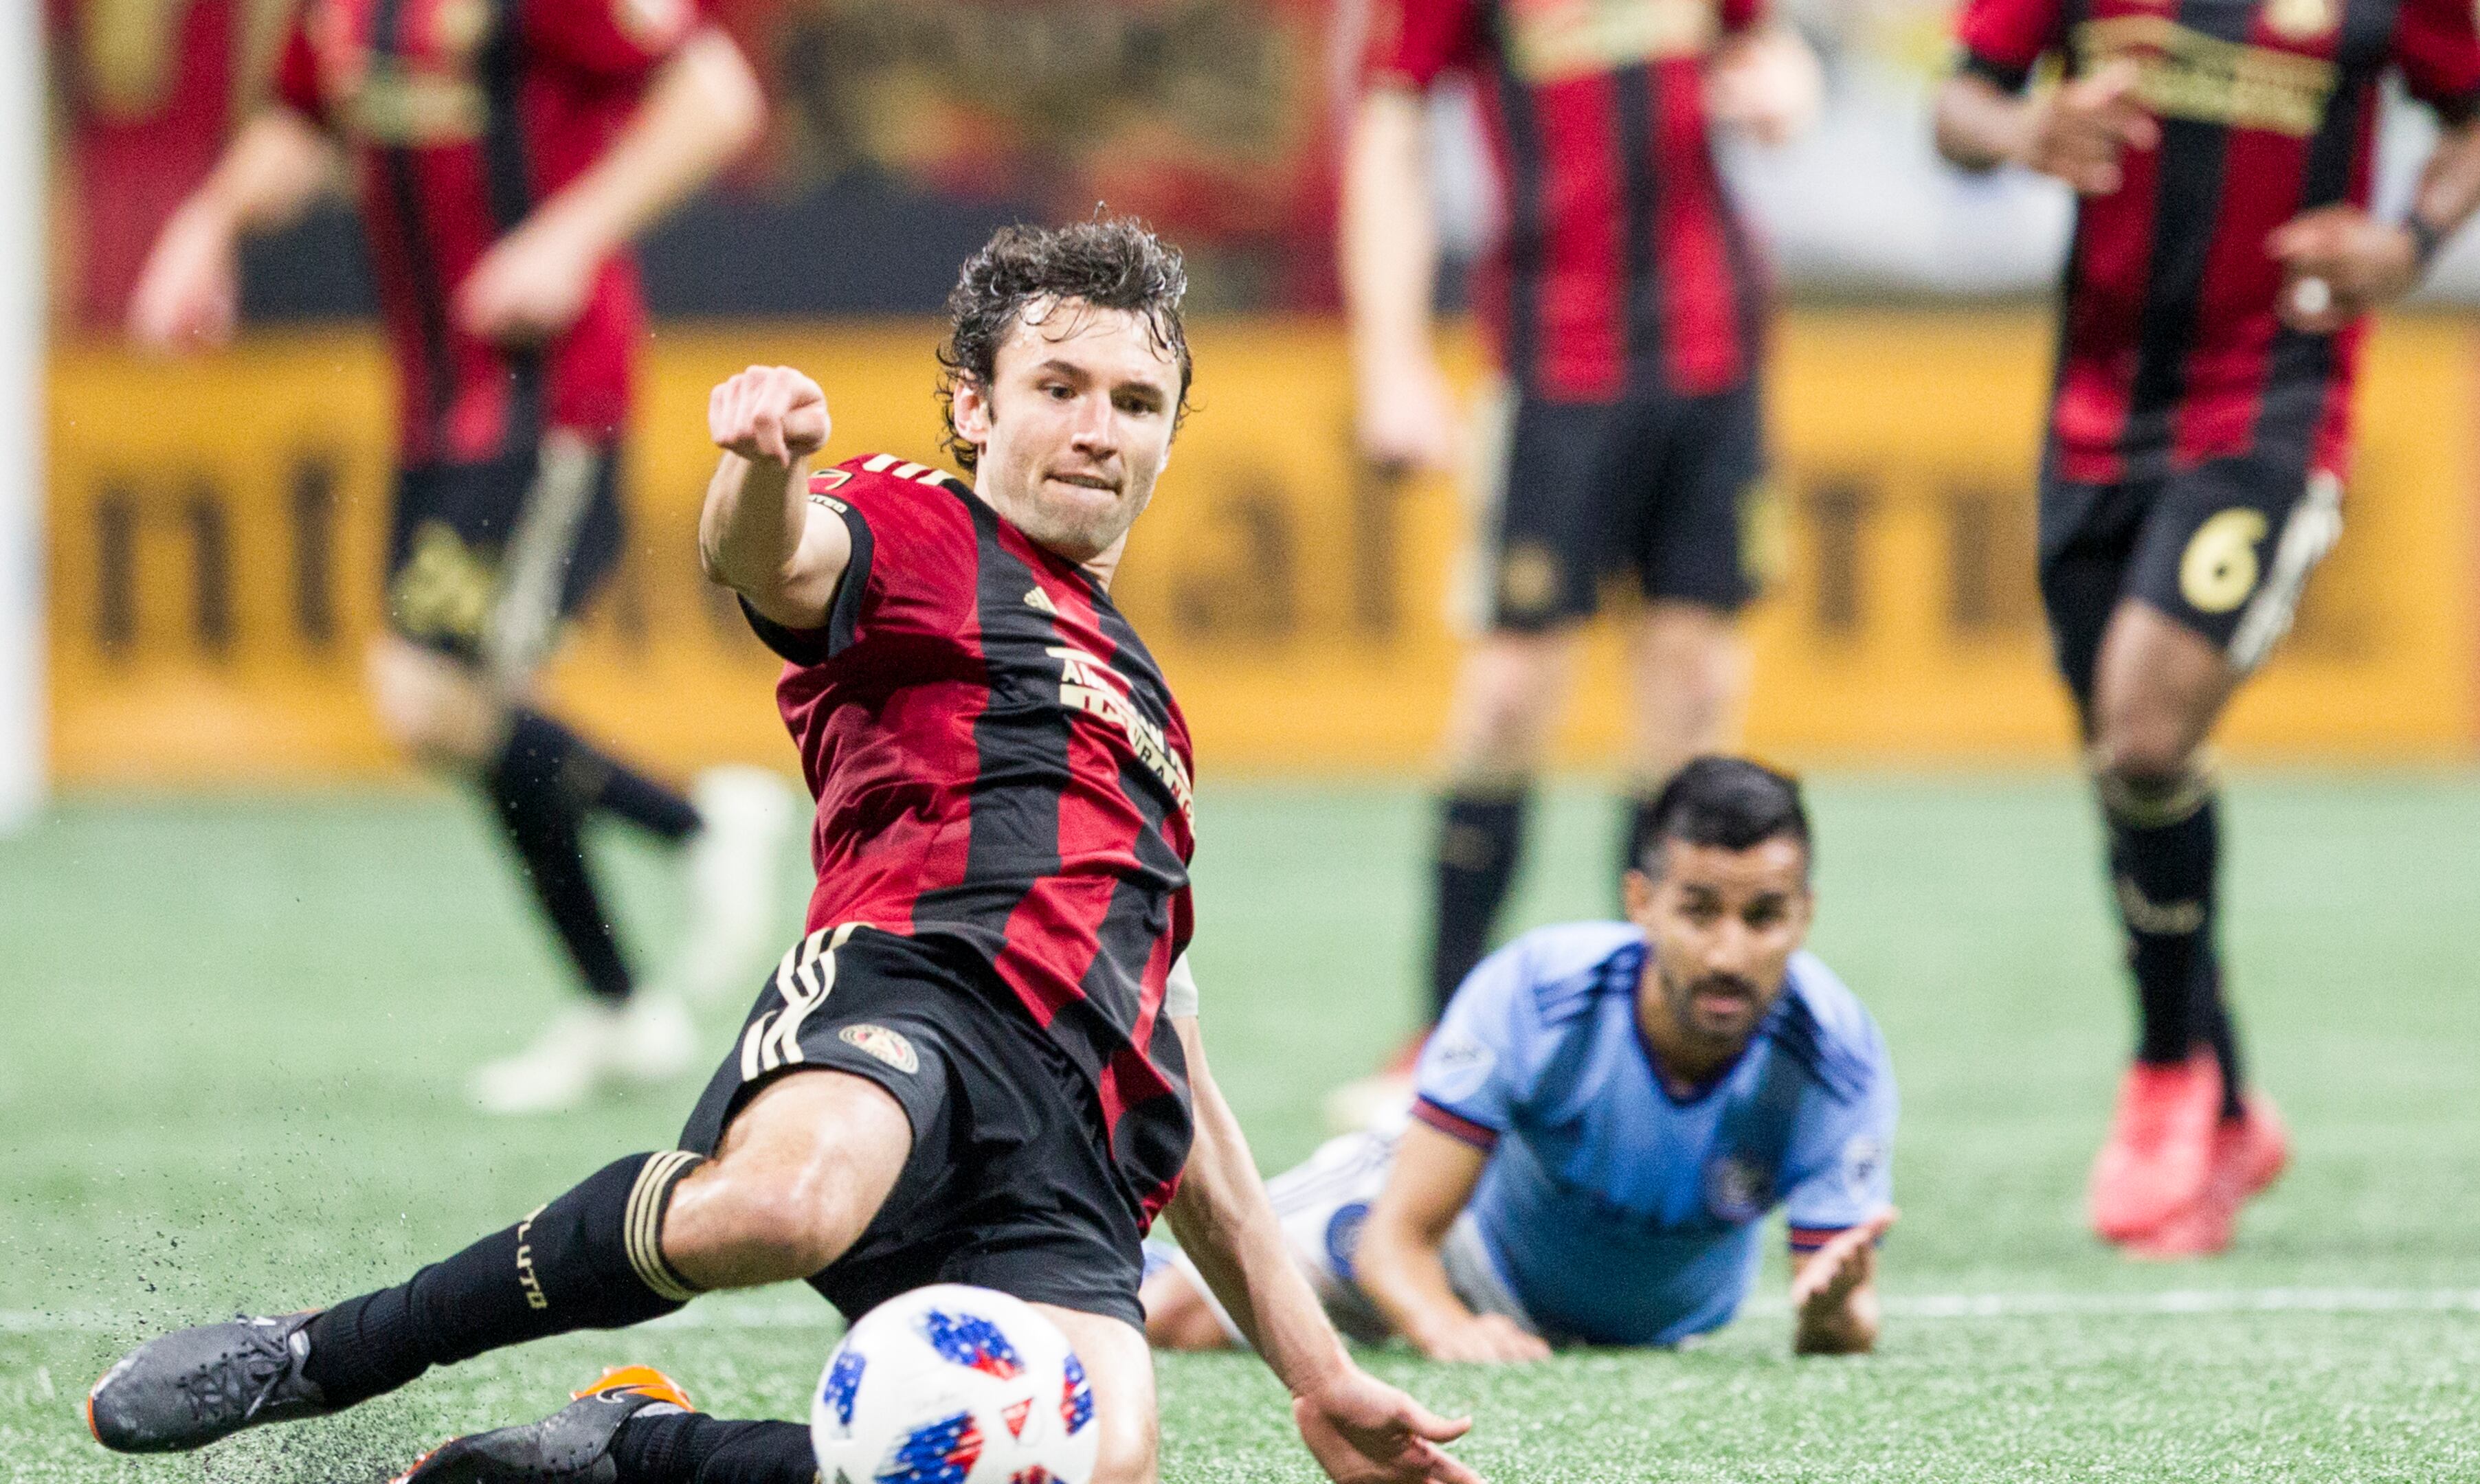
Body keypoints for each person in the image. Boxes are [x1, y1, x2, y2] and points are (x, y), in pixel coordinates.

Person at [85, 218, 1479, 1484]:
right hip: (919, 993)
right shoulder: (926, 524)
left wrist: (1322, 1374)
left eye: (1135, 402)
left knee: (1081, 1468)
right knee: (787, 1207)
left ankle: (639, 1450)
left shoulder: (1159, 719)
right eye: (1059, 391)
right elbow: (777, 559)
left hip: (1079, 1147)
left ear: (1171, 437)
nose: (1098, 428)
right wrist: (759, 471)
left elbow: (1171, 1058)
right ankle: (327, 1353)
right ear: (973, 409)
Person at [126, 0, 794, 1113]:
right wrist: (206, 229)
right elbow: (300, 127)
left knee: (433, 696)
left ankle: (700, 826)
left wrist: (570, 237)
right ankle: (620, 1002)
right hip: (438, 408)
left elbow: (717, 97)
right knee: (481, 705)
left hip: (548, 396)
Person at [1932, 0, 2480, 1252]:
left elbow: (2479, 125)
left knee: (2143, 733)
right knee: (2131, 775)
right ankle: (2233, 1107)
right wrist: (2028, 126)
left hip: (2273, 403)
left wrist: (2409, 245)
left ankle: (2160, 1077)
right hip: (2090, 418)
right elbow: (1957, 109)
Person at [1327, 0, 1827, 1131]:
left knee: (1694, 695)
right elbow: (1391, 136)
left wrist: (1790, 87)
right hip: (1553, 368)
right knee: (1507, 697)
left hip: (1717, 353)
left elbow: (1770, 46)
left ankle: (1647, 1037)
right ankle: (1444, 1030)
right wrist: (1391, 360)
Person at [1147, 757, 1896, 1360]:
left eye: (1764, 916)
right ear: (1641, 902)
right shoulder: (1541, 996)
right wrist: (1446, 1325)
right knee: (1177, 1314)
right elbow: (1397, 1241)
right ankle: (1070, 1277)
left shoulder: (1835, 1058)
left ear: (1806, 913)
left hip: (1657, 1329)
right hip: (1469, 1245)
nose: (1729, 953)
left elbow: (1841, 1324)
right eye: (1699, 912)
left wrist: (1834, 1315)